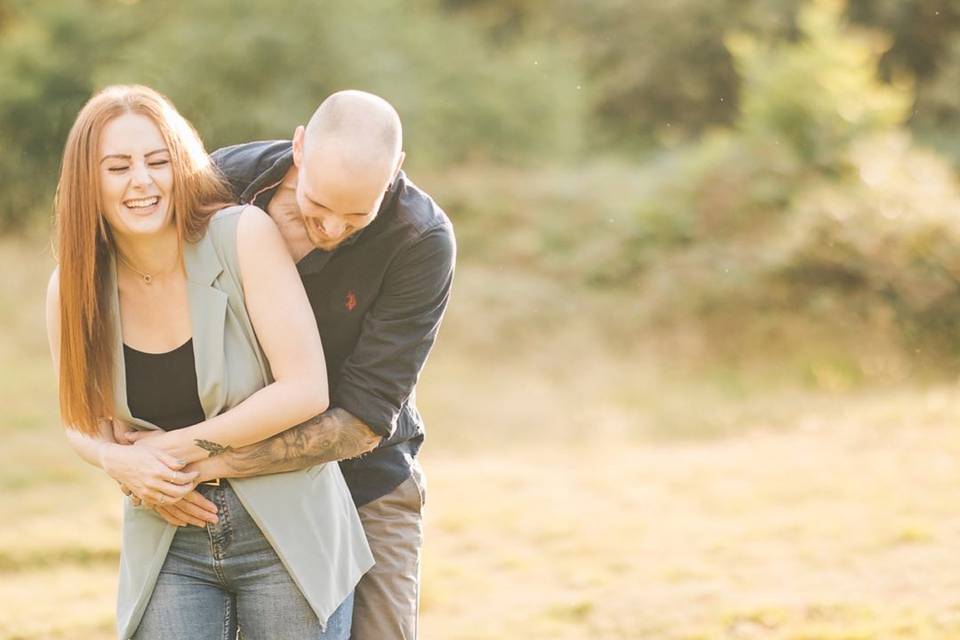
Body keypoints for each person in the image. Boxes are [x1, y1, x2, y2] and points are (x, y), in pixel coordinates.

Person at [45, 84, 373, 640]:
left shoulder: (240, 234)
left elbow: (305, 388)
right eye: (118, 167)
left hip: (288, 531)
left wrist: (169, 452)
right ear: (88, 182)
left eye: (157, 161)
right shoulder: (73, 288)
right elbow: (83, 420)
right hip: (167, 536)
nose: (142, 181)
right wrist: (115, 461)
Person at [134, 90, 456, 639]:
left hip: (365, 479)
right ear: (300, 147)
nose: (331, 228)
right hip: (227, 477)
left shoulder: (419, 239)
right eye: (319, 206)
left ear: (395, 169)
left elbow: (362, 420)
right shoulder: (219, 184)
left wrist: (195, 463)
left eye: (356, 214)